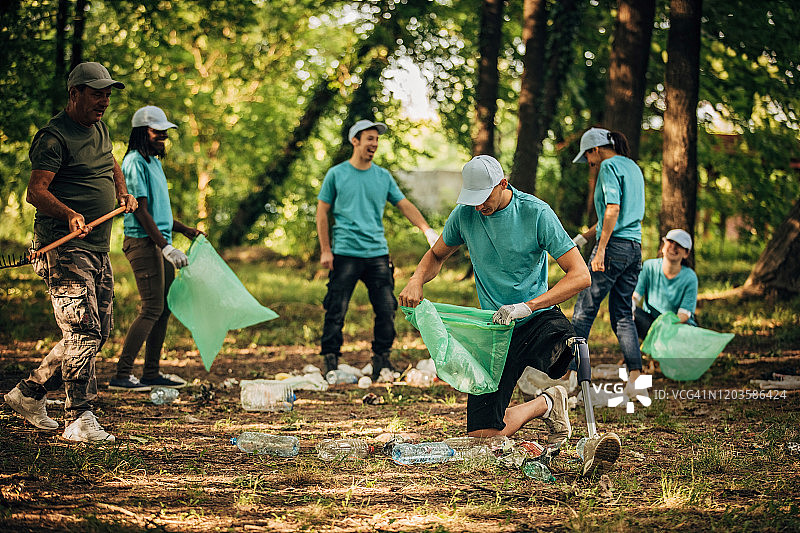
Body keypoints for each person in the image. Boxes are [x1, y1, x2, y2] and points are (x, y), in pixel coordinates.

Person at [399, 155, 621, 476]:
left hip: (536, 316)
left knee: (570, 347)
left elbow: (579, 275)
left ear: (503, 185)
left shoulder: (536, 213)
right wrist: (417, 279)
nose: (478, 207)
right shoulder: (465, 215)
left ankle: (590, 438)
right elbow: (436, 254)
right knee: (482, 440)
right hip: (496, 329)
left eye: (484, 198)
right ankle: (547, 403)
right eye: (472, 200)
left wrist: (529, 305)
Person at [3, 62, 136, 442]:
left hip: (97, 248)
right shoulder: (53, 137)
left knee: (98, 332)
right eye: (97, 93)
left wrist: (123, 192)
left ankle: (29, 393)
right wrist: (69, 213)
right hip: (62, 248)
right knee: (82, 330)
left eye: (108, 93)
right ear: (75, 93)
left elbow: (111, 163)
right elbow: (36, 191)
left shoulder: (100, 127)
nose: (105, 100)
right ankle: (78, 417)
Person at [317, 119, 438, 381]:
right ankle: (330, 361)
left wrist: (426, 230)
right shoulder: (336, 174)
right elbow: (322, 213)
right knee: (336, 308)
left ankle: (381, 362)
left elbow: (404, 204)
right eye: (369, 138)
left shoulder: (382, 176)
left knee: (386, 309)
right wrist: (326, 250)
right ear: (355, 141)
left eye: (376, 139)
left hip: (377, 255)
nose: (374, 144)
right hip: (345, 253)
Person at [108, 106, 204, 391]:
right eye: (156, 131)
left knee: (163, 309)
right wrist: (165, 247)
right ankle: (122, 375)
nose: (162, 136)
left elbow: (158, 213)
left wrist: (185, 230)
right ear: (141, 133)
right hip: (144, 242)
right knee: (151, 307)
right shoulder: (134, 162)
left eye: (164, 132)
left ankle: (151, 373)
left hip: (161, 243)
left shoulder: (154, 163)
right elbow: (141, 212)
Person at [570, 127, 646, 399]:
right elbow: (614, 218)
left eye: (588, 157)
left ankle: (571, 379)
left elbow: (613, 210)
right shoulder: (632, 167)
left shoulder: (609, 166)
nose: (589, 164)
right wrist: (581, 238)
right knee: (623, 313)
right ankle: (635, 376)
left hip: (612, 248)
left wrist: (600, 249)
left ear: (596, 150)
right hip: (634, 248)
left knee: (584, 309)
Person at [633, 228, 698, 339]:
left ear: (686, 253)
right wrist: (631, 308)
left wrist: (666, 326)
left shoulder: (690, 277)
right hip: (652, 323)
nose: (673, 247)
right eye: (670, 242)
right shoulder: (649, 267)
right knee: (625, 310)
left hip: (676, 326)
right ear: (663, 246)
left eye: (679, 245)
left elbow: (684, 314)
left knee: (688, 333)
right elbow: (635, 296)